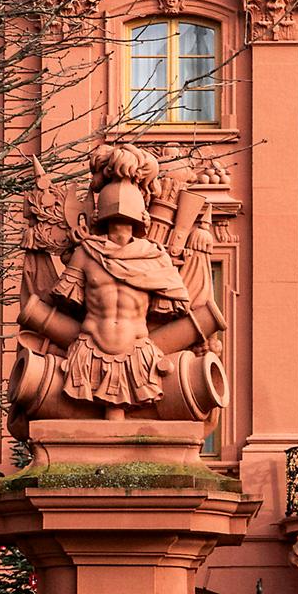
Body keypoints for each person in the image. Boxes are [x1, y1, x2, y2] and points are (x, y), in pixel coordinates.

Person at [52, 162, 189, 416]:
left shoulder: (155, 257)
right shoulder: (86, 253)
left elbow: (177, 304)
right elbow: (63, 298)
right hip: (88, 352)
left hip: (137, 354)